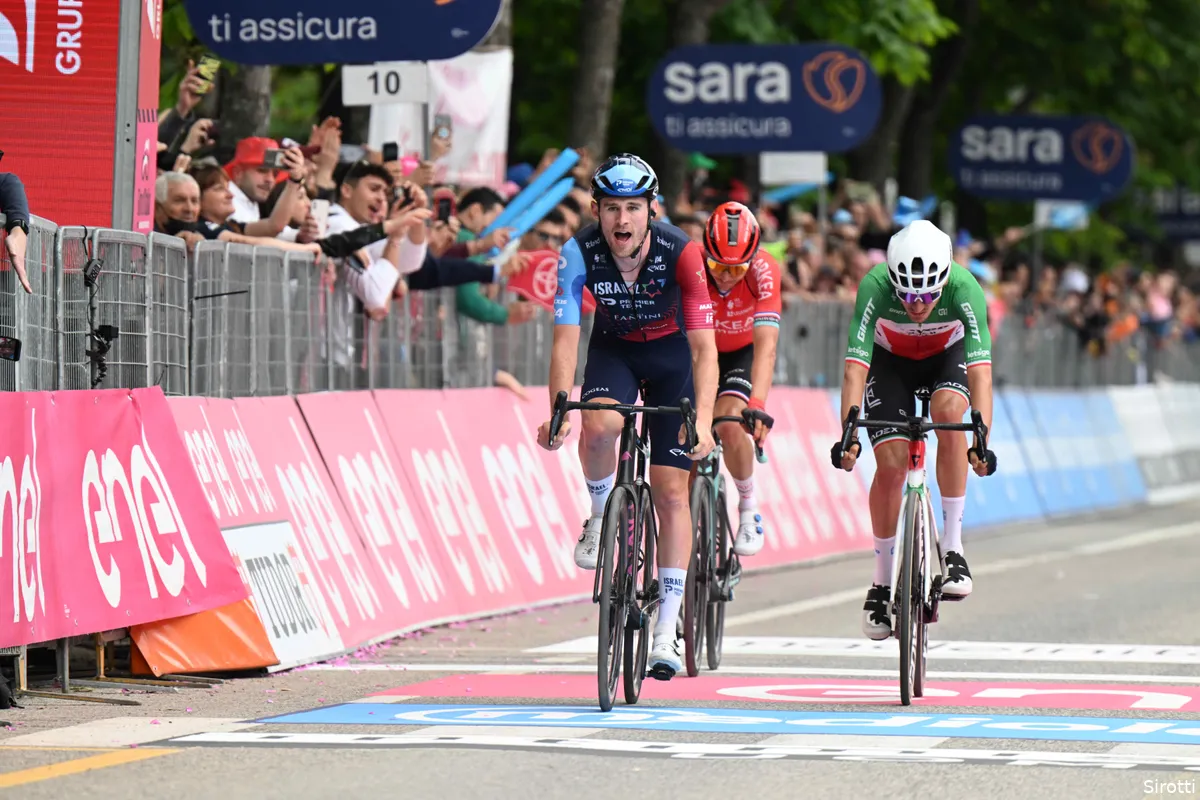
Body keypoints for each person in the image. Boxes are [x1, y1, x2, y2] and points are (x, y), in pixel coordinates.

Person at [537, 153, 718, 680]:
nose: (622, 221)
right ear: (596, 209)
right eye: (612, 208)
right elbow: (565, 340)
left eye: (633, 209)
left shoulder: (681, 252)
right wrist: (557, 409)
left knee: (669, 492)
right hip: (614, 350)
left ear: (651, 209)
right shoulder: (577, 252)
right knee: (600, 424)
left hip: (673, 358)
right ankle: (598, 517)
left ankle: (666, 629)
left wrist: (703, 420)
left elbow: (706, 350)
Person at [829, 219, 997, 641]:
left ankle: (953, 547)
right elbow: (855, 368)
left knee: (949, 413)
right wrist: (848, 434)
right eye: (906, 294)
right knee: (891, 463)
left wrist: (982, 442)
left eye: (925, 294)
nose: (916, 304)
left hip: (946, 356)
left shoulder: (965, 288)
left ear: (943, 281)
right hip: (890, 364)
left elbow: (981, 376)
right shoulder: (874, 287)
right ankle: (882, 580)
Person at [701, 201, 780, 557]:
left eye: (737, 268)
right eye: (717, 265)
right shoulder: (690, 265)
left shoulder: (765, 270)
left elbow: (766, 349)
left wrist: (757, 406)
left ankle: (748, 508)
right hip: (697, 352)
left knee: (731, 424)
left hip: (740, 353)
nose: (726, 275)